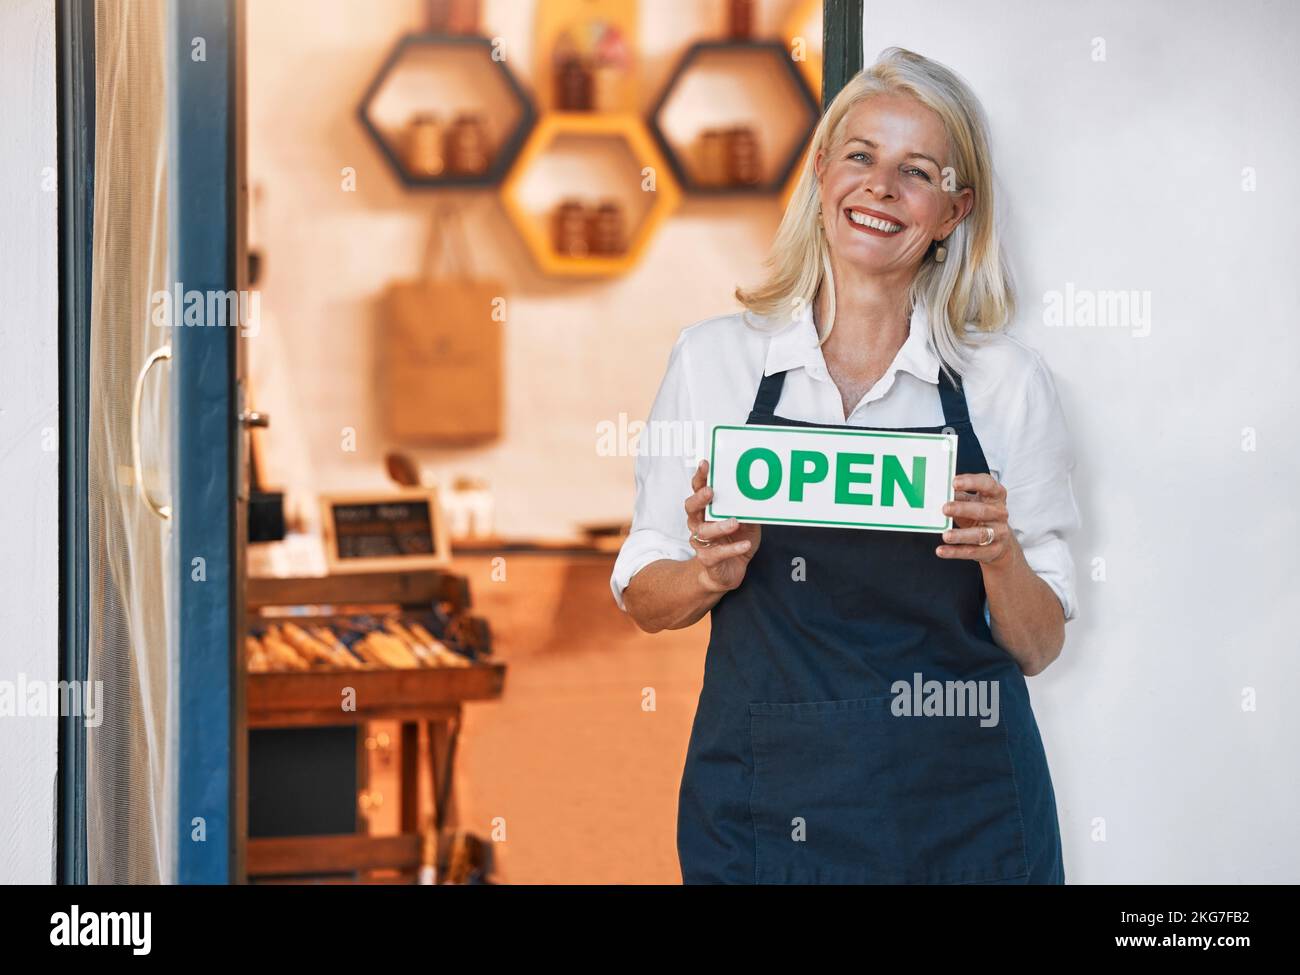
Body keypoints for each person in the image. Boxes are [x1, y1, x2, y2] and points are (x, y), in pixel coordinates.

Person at [610, 48, 1080, 884]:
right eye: (860, 155)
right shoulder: (715, 361)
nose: (881, 187)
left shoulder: (1004, 383)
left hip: (964, 809)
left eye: (917, 171)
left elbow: (1039, 644)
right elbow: (645, 594)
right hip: (766, 801)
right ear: (822, 171)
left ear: (953, 211)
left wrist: (1001, 554)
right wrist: (707, 573)